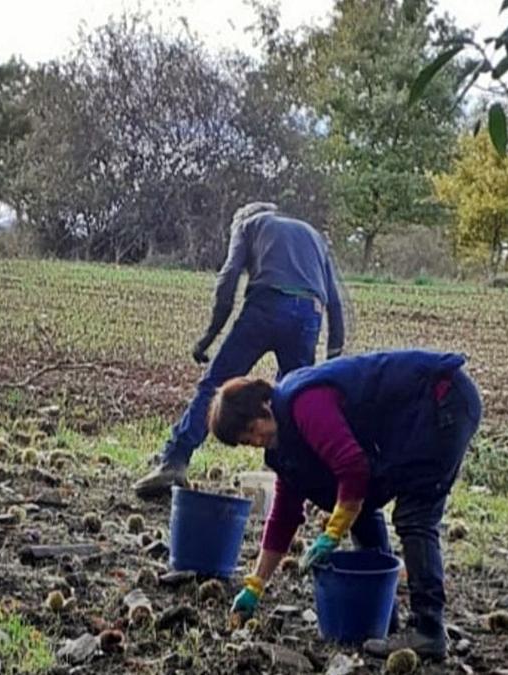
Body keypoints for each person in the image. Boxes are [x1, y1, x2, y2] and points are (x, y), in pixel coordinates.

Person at [207, 350, 481, 661]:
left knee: (415, 515)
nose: (254, 440)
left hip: (440, 399)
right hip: (419, 416)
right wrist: (255, 585)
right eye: (246, 440)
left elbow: (352, 467)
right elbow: (284, 516)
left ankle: (429, 630)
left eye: (252, 429)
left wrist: (333, 532)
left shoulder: (303, 403)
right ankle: (384, 616)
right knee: (356, 506)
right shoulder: (284, 444)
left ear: (263, 406)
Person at [133, 202, 346, 499]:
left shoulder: (247, 225)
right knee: (291, 399)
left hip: (266, 306)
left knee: (216, 386)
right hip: (309, 314)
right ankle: (296, 480)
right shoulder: (312, 234)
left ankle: (174, 460)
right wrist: (334, 357)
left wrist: (208, 337)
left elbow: (229, 277)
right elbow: (335, 301)